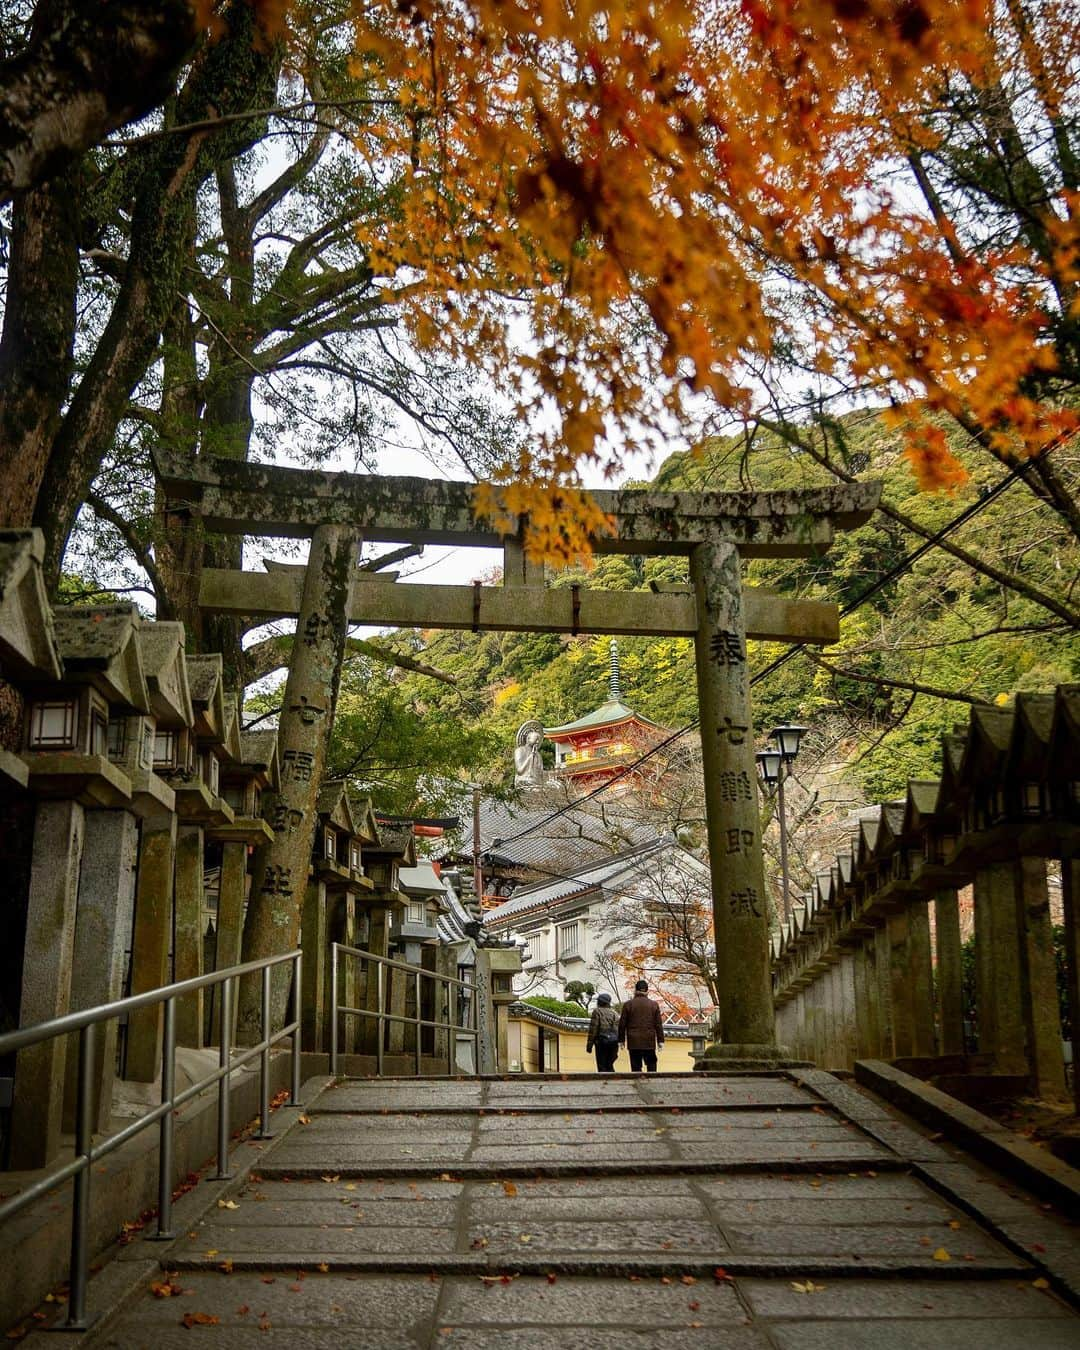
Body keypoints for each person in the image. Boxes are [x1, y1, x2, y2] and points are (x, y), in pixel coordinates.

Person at [618, 979, 665, 1073]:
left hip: (633, 1041)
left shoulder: (628, 1005)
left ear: (635, 990)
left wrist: (621, 1040)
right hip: (649, 1041)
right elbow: (658, 1024)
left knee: (636, 1067)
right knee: (651, 1066)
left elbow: (622, 1024)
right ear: (647, 991)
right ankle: (651, 1084)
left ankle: (637, 1086)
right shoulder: (654, 1005)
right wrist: (660, 1040)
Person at [586, 992, 620, 1072]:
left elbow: (593, 1029)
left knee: (602, 1066)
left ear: (600, 1002)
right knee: (610, 1065)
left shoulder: (597, 1012)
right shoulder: (614, 1013)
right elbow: (616, 1030)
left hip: (601, 1043)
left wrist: (589, 1045)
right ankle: (612, 1082)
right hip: (613, 1043)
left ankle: (604, 1083)